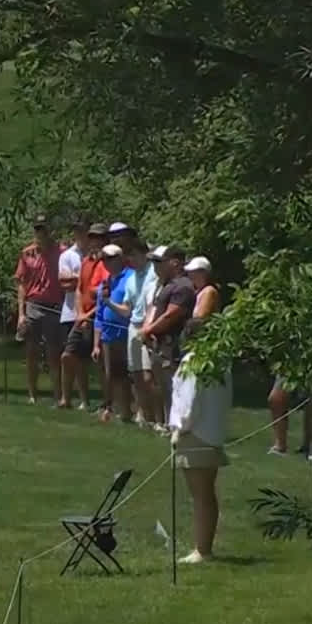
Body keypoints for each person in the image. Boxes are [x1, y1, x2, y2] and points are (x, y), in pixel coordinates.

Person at [169, 348, 234, 564]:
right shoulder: (221, 361)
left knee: (201, 496)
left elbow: (190, 402)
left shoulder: (194, 361)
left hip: (195, 434)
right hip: (212, 433)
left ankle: (202, 550)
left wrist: (181, 428)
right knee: (206, 494)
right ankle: (203, 547)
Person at [141, 246, 195, 430]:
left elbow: (172, 314)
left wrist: (149, 330)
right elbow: (154, 309)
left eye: (160, 262)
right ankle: (167, 423)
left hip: (174, 346)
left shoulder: (183, 286)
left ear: (175, 262)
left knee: (175, 387)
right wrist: (147, 329)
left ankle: (177, 426)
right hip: (161, 344)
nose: (156, 267)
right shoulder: (165, 285)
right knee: (163, 386)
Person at [13, 214, 65, 405]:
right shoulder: (27, 253)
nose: (40, 233)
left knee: (54, 352)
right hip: (33, 304)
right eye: (37, 229)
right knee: (31, 352)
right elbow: (21, 284)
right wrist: (21, 313)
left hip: (54, 306)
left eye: (43, 229)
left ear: (49, 230)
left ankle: (58, 395)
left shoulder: (61, 251)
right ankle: (32, 395)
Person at [69, 222, 111, 412]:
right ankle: (84, 401)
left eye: (99, 237)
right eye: (92, 237)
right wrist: (80, 314)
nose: (95, 241)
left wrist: (87, 315)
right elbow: (79, 289)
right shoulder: (86, 261)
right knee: (72, 356)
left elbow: (106, 295)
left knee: (102, 362)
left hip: (99, 317)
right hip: (83, 317)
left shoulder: (108, 264)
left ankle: (107, 402)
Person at [92, 243, 134, 422]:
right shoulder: (106, 282)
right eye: (104, 260)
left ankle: (130, 411)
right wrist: (96, 344)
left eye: (110, 259)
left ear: (120, 258)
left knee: (128, 375)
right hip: (107, 335)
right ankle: (115, 409)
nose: (106, 263)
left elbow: (129, 307)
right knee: (111, 375)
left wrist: (108, 302)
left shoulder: (130, 277)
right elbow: (99, 315)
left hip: (125, 333)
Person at [124, 239, 161, 426]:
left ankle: (157, 417)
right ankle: (144, 414)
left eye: (135, 255)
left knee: (148, 376)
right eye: (129, 256)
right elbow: (127, 309)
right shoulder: (131, 278)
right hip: (133, 326)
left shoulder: (153, 272)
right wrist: (107, 302)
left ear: (144, 255)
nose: (131, 259)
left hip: (148, 326)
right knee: (136, 375)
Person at [56, 220, 91, 408]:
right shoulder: (67, 255)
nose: (80, 235)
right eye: (77, 231)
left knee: (82, 360)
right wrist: (83, 280)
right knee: (68, 357)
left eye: (83, 231)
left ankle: (84, 400)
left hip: (89, 312)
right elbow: (64, 283)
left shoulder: (94, 255)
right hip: (70, 312)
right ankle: (66, 398)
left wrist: (76, 279)